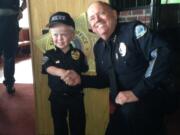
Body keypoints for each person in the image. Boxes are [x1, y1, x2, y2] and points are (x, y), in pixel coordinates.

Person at [62, 1, 175, 135]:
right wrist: (80, 79)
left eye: (101, 13)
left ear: (114, 15)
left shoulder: (132, 30)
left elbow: (163, 52)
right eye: (92, 18)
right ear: (91, 26)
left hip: (149, 98)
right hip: (124, 108)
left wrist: (136, 92)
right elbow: (104, 80)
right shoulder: (98, 47)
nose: (97, 19)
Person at [41, 11, 89, 135]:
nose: (59, 38)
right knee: (59, 126)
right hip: (57, 97)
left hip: (76, 97)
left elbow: (84, 69)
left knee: (78, 126)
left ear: (72, 35)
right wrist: (61, 72)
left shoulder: (79, 54)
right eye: (55, 35)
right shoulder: (48, 54)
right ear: (51, 36)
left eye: (64, 34)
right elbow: (47, 67)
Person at [0, 0, 26, 94]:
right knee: (9, 57)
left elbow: (27, 2)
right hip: (10, 23)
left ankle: (10, 84)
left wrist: (21, 10)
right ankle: (10, 84)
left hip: (11, 24)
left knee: (10, 57)